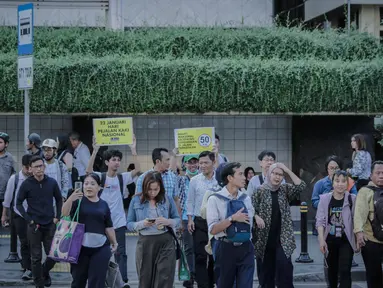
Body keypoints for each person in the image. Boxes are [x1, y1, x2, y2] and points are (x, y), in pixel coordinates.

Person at [86, 136, 140, 288]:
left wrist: (133, 149)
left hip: (119, 222)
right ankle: (103, 280)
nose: (117, 162)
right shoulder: (101, 178)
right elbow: (88, 171)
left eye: (118, 159)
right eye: (114, 159)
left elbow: (138, 170)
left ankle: (122, 282)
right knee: (101, 253)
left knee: (121, 254)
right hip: (101, 223)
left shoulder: (122, 178)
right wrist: (95, 149)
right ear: (107, 162)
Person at [252, 163, 306, 288]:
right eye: (275, 173)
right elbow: (250, 209)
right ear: (269, 174)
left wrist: (287, 170)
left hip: (283, 240)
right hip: (264, 240)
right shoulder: (259, 191)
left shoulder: (285, 189)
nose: (277, 177)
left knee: (285, 273)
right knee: (266, 277)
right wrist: (256, 216)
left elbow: (301, 185)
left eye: (280, 174)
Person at [62, 173, 118, 288]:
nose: (89, 186)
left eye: (93, 184)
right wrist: (70, 199)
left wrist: (114, 242)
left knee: (97, 282)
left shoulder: (104, 205)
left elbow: (108, 226)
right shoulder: (77, 201)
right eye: (86, 183)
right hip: (79, 248)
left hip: (101, 248)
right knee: (78, 281)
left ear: (99, 187)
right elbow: (64, 213)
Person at [127, 171, 180, 288]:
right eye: (149, 189)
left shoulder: (167, 199)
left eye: (156, 189)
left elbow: (177, 219)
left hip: (166, 240)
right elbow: (129, 223)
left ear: (160, 187)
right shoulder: (136, 200)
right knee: (145, 277)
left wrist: (168, 221)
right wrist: (142, 224)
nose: (152, 192)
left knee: (164, 276)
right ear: (144, 187)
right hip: (145, 241)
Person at [16, 156, 62, 288]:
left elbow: (59, 199)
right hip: (34, 225)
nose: (39, 169)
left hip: (50, 224)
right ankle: (39, 284)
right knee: (35, 258)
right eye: (36, 166)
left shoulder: (52, 182)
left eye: (41, 166)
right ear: (30, 169)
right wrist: (28, 219)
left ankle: (43, 272)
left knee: (54, 255)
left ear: (44, 167)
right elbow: (18, 203)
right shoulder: (26, 184)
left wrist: (57, 217)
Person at [207, 162, 255, 288]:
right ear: (229, 178)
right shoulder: (215, 199)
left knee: (246, 285)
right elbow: (212, 229)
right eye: (240, 174)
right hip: (225, 247)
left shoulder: (246, 198)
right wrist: (232, 218)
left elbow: (249, 223)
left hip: (246, 247)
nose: (244, 177)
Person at [316, 170, 357, 288]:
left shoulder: (352, 199)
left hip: (346, 241)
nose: (340, 184)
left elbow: (356, 220)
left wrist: (358, 238)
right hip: (330, 240)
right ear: (332, 183)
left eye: (344, 181)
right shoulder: (324, 199)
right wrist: (321, 240)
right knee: (332, 272)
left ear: (347, 184)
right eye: (337, 181)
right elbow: (320, 220)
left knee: (345, 271)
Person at [187, 151, 218, 288]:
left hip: (216, 223)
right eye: (201, 163)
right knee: (200, 256)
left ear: (213, 163)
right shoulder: (195, 180)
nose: (202, 165)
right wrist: (190, 219)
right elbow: (190, 201)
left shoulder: (221, 180)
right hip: (199, 221)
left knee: (214, 256)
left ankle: (212, 283)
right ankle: (202, 285)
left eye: (206, 162)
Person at [1, 154, 33, 281]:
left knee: (33, 242)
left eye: (31, 167)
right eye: (27, 168)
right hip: (18, 215)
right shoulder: (14, 179)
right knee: (25, 241)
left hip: (33, 215)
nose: (29, 171)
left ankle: (30, 265)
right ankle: (27, 267)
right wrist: (4, 215)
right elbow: (7, 199)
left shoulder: (36, 178)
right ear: (23, 166)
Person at [354, 161, 383, 288]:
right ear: (371, 175)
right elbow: (359, 213)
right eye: (378, 173)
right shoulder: (365, 191)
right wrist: (359, 233)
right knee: (373, 276)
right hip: (371, 240)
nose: (381, 176)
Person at [177, 154, 199, 288]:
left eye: (194, 162)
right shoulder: (180, 180)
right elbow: (178, 200)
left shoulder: (202, 179)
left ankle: (203, 274)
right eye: (189, 162)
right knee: (189, 248)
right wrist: (179, 221)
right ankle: (191, 275)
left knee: (202, 248)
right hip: (186, 218)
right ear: (184, 164)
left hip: (201, 218)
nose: (192, 165)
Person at [0, 132, 15, 216]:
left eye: (0, 142)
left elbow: (14, 174)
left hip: (5, 196)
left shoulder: (10, 158)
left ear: (6, 144)